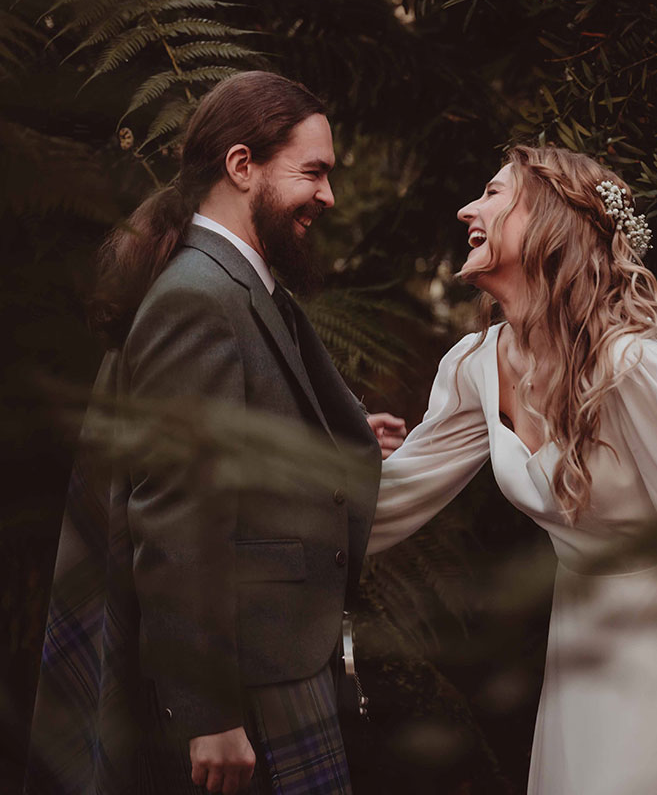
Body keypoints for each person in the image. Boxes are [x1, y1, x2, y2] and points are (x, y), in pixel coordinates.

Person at [26, 71, 403, 795]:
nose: (328, 196)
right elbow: (179, 518)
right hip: (245, 683)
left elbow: (242, 426)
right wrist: (209, 715)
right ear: (241, 166)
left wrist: (334, 433)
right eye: (313, 172)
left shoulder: (232, 282)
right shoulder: (199, 297)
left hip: (276, 661)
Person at [368, 145, 657, 794]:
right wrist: (295, 492)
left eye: (493, 193)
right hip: (579, 643)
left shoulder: (634, 369)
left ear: (549, 222)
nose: (468, 209)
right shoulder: (477, 366)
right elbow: (391, 498)